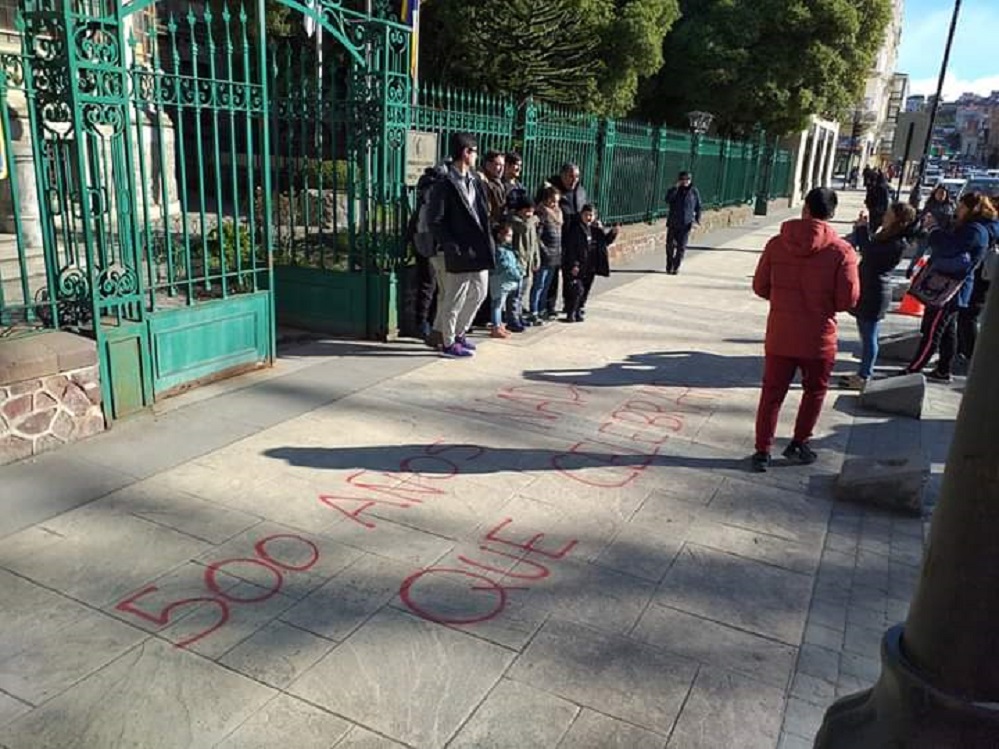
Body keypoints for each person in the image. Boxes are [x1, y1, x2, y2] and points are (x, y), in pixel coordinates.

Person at [751, 187, 860, 472]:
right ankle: (799, 443)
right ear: (832, 214)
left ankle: (762, 450)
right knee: (814, 391)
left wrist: (784, 298)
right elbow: (848, 299)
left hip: (780, 333)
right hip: (818, 337)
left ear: (806, 209)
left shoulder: (776, 244)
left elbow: (760, 286)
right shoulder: (842, 251)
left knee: (771, 393)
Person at [902, 191, 999, 382]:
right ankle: (944, 369)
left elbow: (949, 248)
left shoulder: (975, 230)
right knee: (947, 331)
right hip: (951, 286)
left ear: (973, 209)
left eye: (962, 206)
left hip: (950, 288)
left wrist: (934, 230)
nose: (958, 209)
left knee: (932, 331)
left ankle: (914, 369)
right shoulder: (970, 227)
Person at [429, 132, 496, 358]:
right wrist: (450, 244)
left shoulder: (474, 180)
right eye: (474, 152)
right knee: (454, 297)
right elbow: (435, 220)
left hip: (477, 247)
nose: (477, 156)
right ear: (466, 152)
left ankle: (460, 333)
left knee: (480, 291)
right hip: (458, 248)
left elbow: (481, 212)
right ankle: (448, 343)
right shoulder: (445, 182)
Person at [839, 202, 917, 391]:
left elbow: (869, 252)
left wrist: (862, 230)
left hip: (876, 293)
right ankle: (863, 373)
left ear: (897, 218)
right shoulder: (887, 235)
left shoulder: (897, 242)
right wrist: (861, 229)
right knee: (866, 335)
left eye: (889, 212)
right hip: (869, 289)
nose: (884, 214)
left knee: (869, 336)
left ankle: (865, 375)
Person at [541, 163, 589, 318]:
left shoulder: (581, 190)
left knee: (573, 273)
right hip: (556, 236)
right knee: (552, 274)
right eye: (570, 176)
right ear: (562, 175)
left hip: (575, 240)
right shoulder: (551, 189)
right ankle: (549, 306)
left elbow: (585, 210)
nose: (574, 180)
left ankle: (572, 305)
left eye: (576, 176)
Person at [562, 204, 618, 323]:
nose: (588, 217)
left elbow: (604, 242)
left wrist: (613, 233)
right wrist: (574, 264)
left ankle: (579, 309)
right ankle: (571, 311)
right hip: (579, 264)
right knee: (577, 288)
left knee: (586, 288)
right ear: (581, 215)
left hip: (591, 264)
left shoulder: (595, 230)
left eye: (591, 215)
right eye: (586, 215)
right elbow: (571, 248)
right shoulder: (576, 229)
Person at [507, 190, 541, 331]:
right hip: (517, 263)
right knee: (514, 294)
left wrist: (536, 258)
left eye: (532, 211)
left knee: (522, 293)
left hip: (528, 263)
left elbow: (534, 242)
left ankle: (519, 316)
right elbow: (524, 228)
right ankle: (512, 320)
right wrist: (534, 219)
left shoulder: (531, 222)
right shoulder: (515, 221)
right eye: (527, 211)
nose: (530, 214)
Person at [531, 185, 562, 325]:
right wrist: (544, 251)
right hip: (545, 255)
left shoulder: (558, 214)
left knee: (547, 285)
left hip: (555, 254)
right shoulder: (541, 214)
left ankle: (542, 308)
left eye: (556, 201)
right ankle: (534, 311)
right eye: (552, 201)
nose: (554, 204)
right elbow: (537, 236)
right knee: (539, 284)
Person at [664, 171, 703, 275]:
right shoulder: (675, 190)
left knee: (681, 247)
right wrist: (675, 188)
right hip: (673, 222)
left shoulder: (694, 191)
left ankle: (676, 266)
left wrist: (697, 219)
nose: (686, 181)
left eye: (688, 179)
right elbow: (668, 200)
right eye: (683, 179)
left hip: (686, 224)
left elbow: (698, 206)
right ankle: (669, 264)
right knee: (670, 245)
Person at [488, 222, 522, 338]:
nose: (510, 238)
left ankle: (500, 325)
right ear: (499, 235)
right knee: (497, 305)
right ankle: (495, 327)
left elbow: (514, 263)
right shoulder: (498, 250)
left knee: (501, 305)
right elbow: (505, 266)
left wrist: (520, 270)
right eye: (508, 235)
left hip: (509, 282)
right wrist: (517, 274)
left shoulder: (509, 249)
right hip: (499, 281)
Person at [479, 150, 507, 227]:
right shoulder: (481, 181)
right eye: (498, 165)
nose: (501, 169)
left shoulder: (498, 182)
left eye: (503, 165)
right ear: (488, 164)